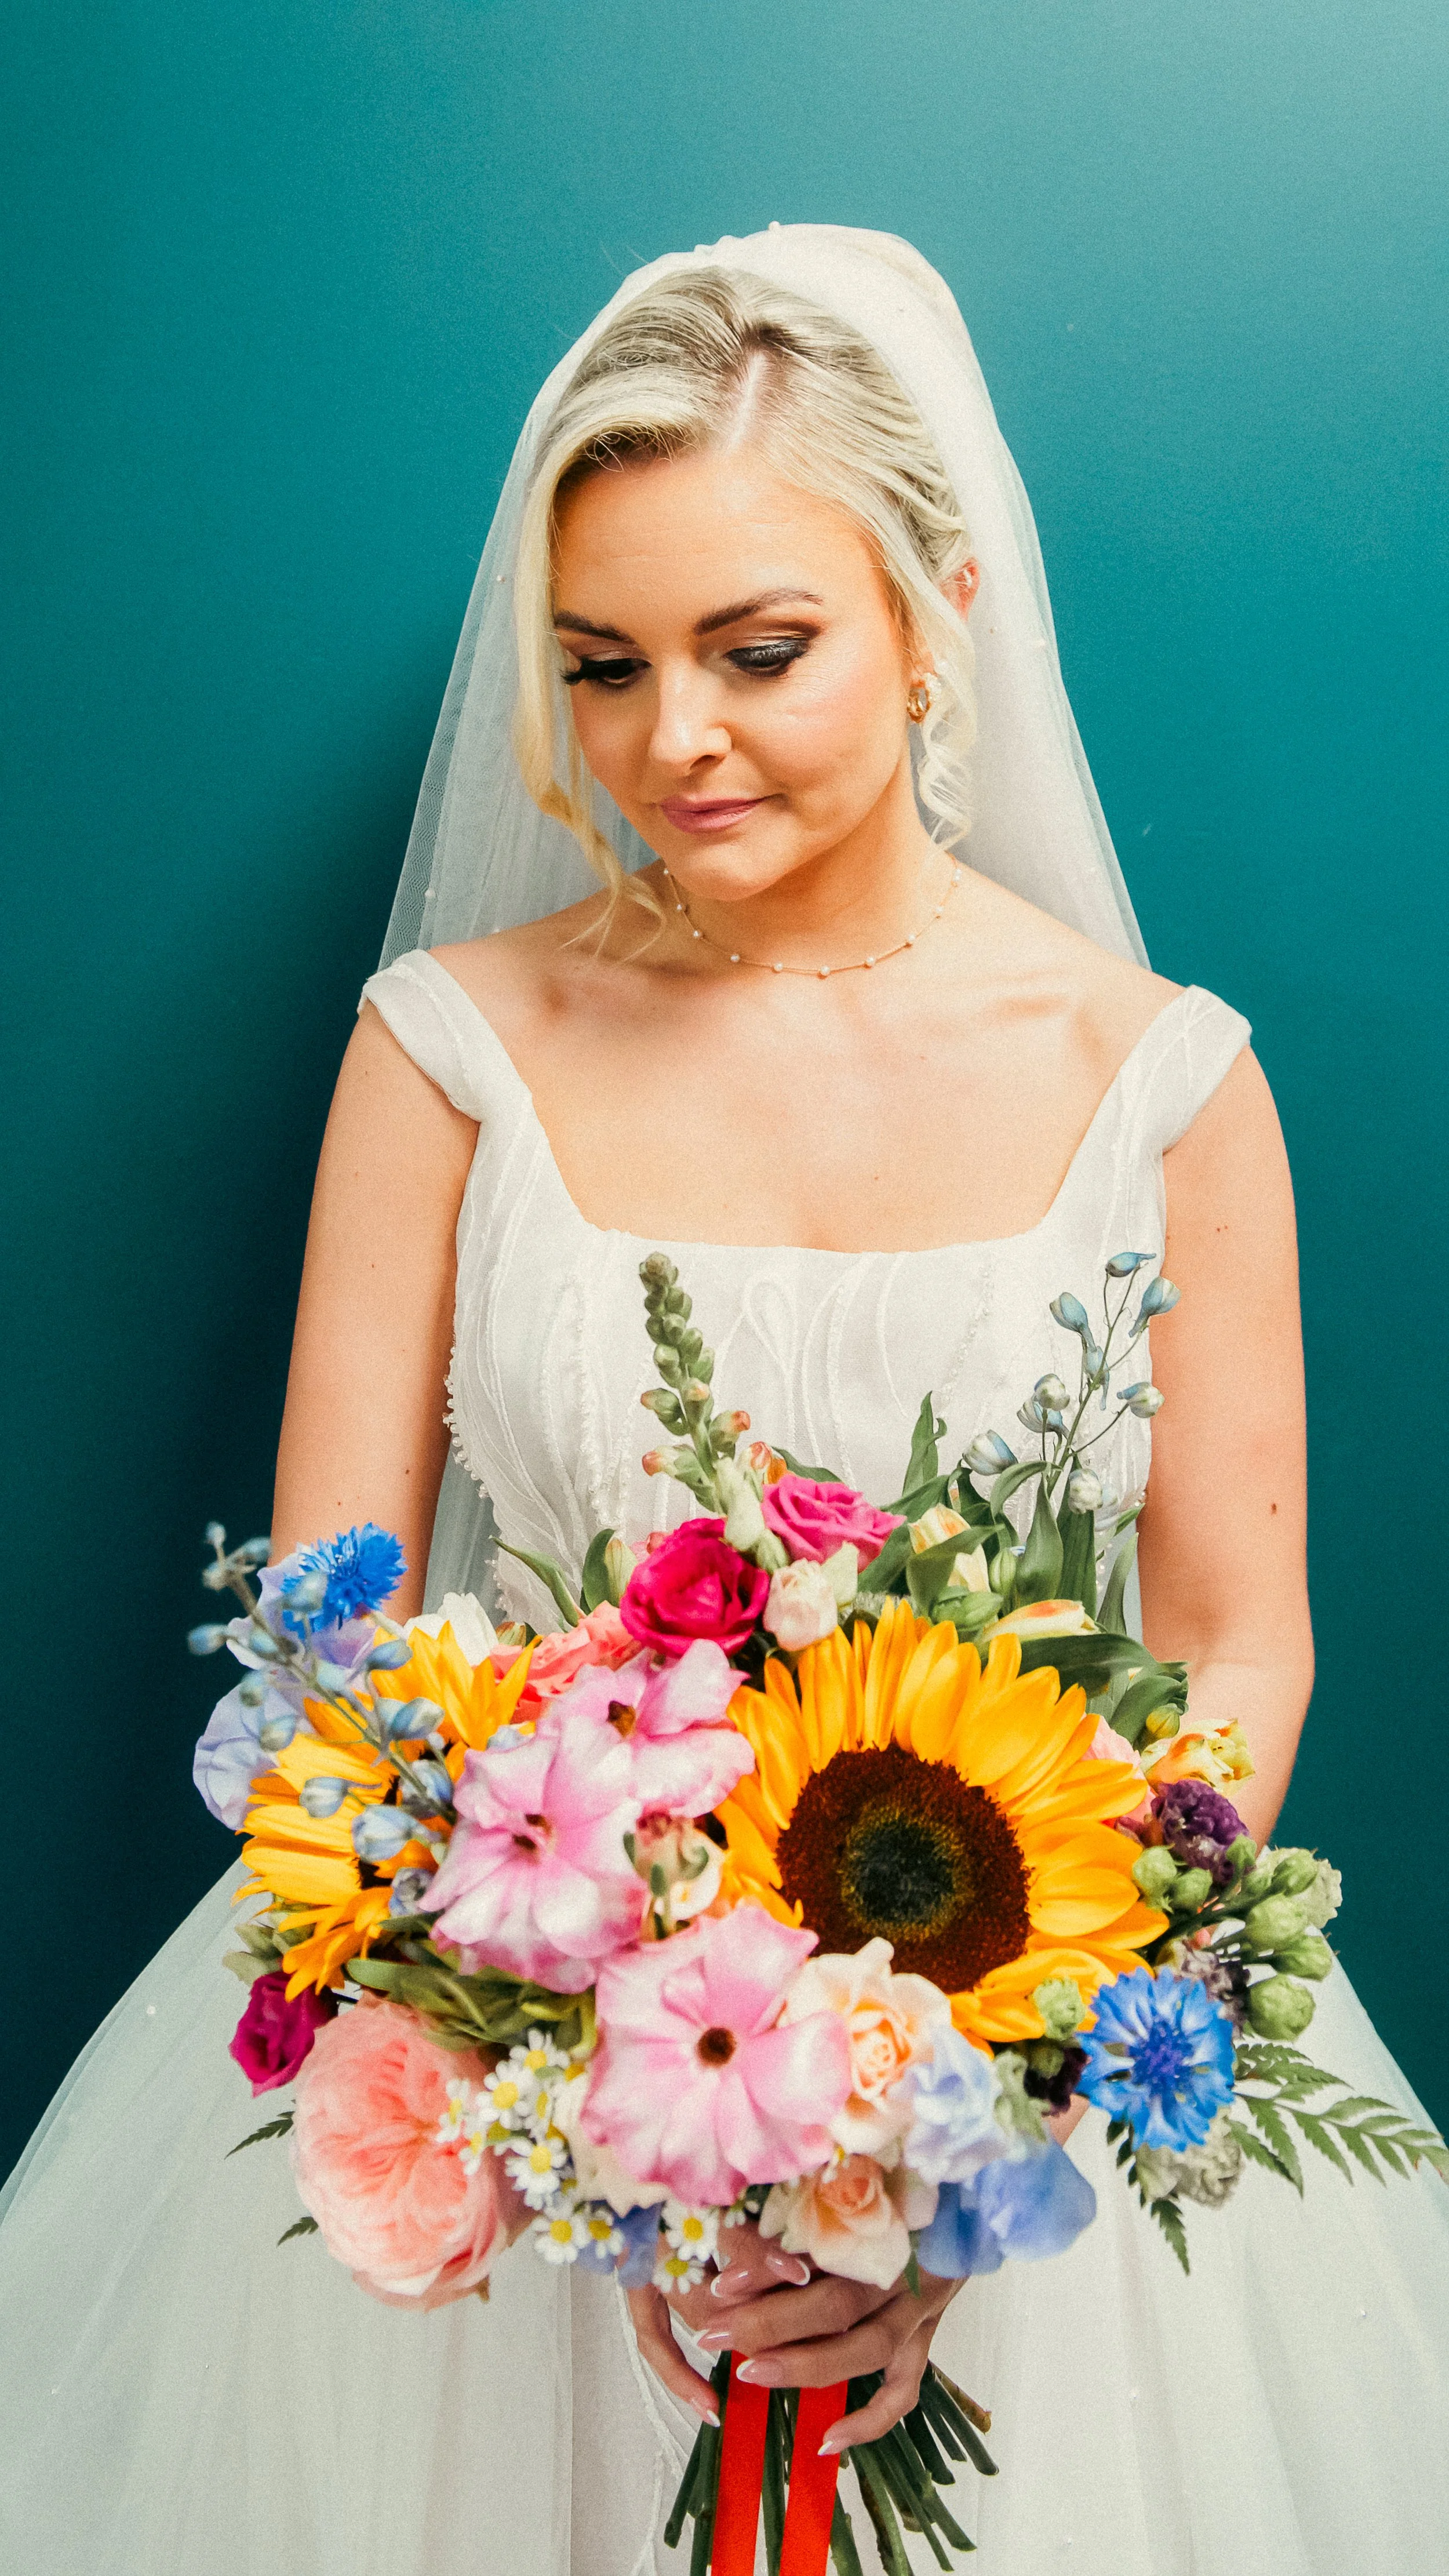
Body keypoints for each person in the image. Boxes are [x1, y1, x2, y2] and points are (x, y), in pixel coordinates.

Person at [1, 225, 1444, 2576]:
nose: (674, 735)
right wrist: (551, 2064)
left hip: (1009, 2092)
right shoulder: (447, 1053)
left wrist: (970, 2150)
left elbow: (1236, 1633)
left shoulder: (1159, 1085)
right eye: (603, 665)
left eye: (756, 649)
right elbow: (338, 1633)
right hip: (519, 2095)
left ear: (934, 605)